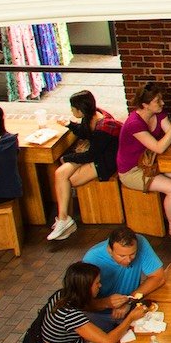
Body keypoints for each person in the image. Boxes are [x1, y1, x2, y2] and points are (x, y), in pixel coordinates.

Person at [39, 260, 147, 343]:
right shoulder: (71, 316)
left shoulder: (60, 295)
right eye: (97, 283)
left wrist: (108, 302)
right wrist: (130, 318)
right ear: (85, 287)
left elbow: (87, 306)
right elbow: (108, 342)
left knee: (115, 335)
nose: (100, 286)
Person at [116, 82, 171, 241]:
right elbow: (158, 147)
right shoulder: (133, 124)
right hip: (132, 171)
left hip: (151, 164)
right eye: (158, 101)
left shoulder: (159, 114)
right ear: (145, 105)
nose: (162, 103)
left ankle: (169, 214)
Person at [48, 89, 121, 240]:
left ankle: (66, 222)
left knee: (68, 181)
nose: (71, 110)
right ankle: (64, 219)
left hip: (104, 162)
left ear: (80, 110)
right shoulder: (91, 115)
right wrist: (70, 124)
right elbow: (84, 133)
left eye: (73, 108)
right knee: (60, 174)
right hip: (91, 154)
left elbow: (92, 155)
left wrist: (67, 157)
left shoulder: (104, 127)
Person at [80, 228, 167, 327]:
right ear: (109, 249)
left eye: (133, 254)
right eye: (122, 256)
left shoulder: (140, 242)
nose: (128, 260)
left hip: (131, 309)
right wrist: (106, 303)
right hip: (97, 315)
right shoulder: (92, 258)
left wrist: (129, 301)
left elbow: (159, 277)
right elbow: (82, 303)